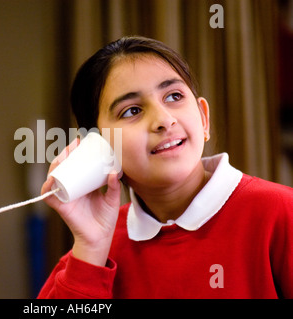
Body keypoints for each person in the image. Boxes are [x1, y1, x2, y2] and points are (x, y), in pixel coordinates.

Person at [38, 36, 293, 298]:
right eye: (132, 111)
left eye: (174, 96)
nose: (164, 120)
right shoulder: (86, 258)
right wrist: (90, 250)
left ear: (203, 118)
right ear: (99, 147)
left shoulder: (281, 213)